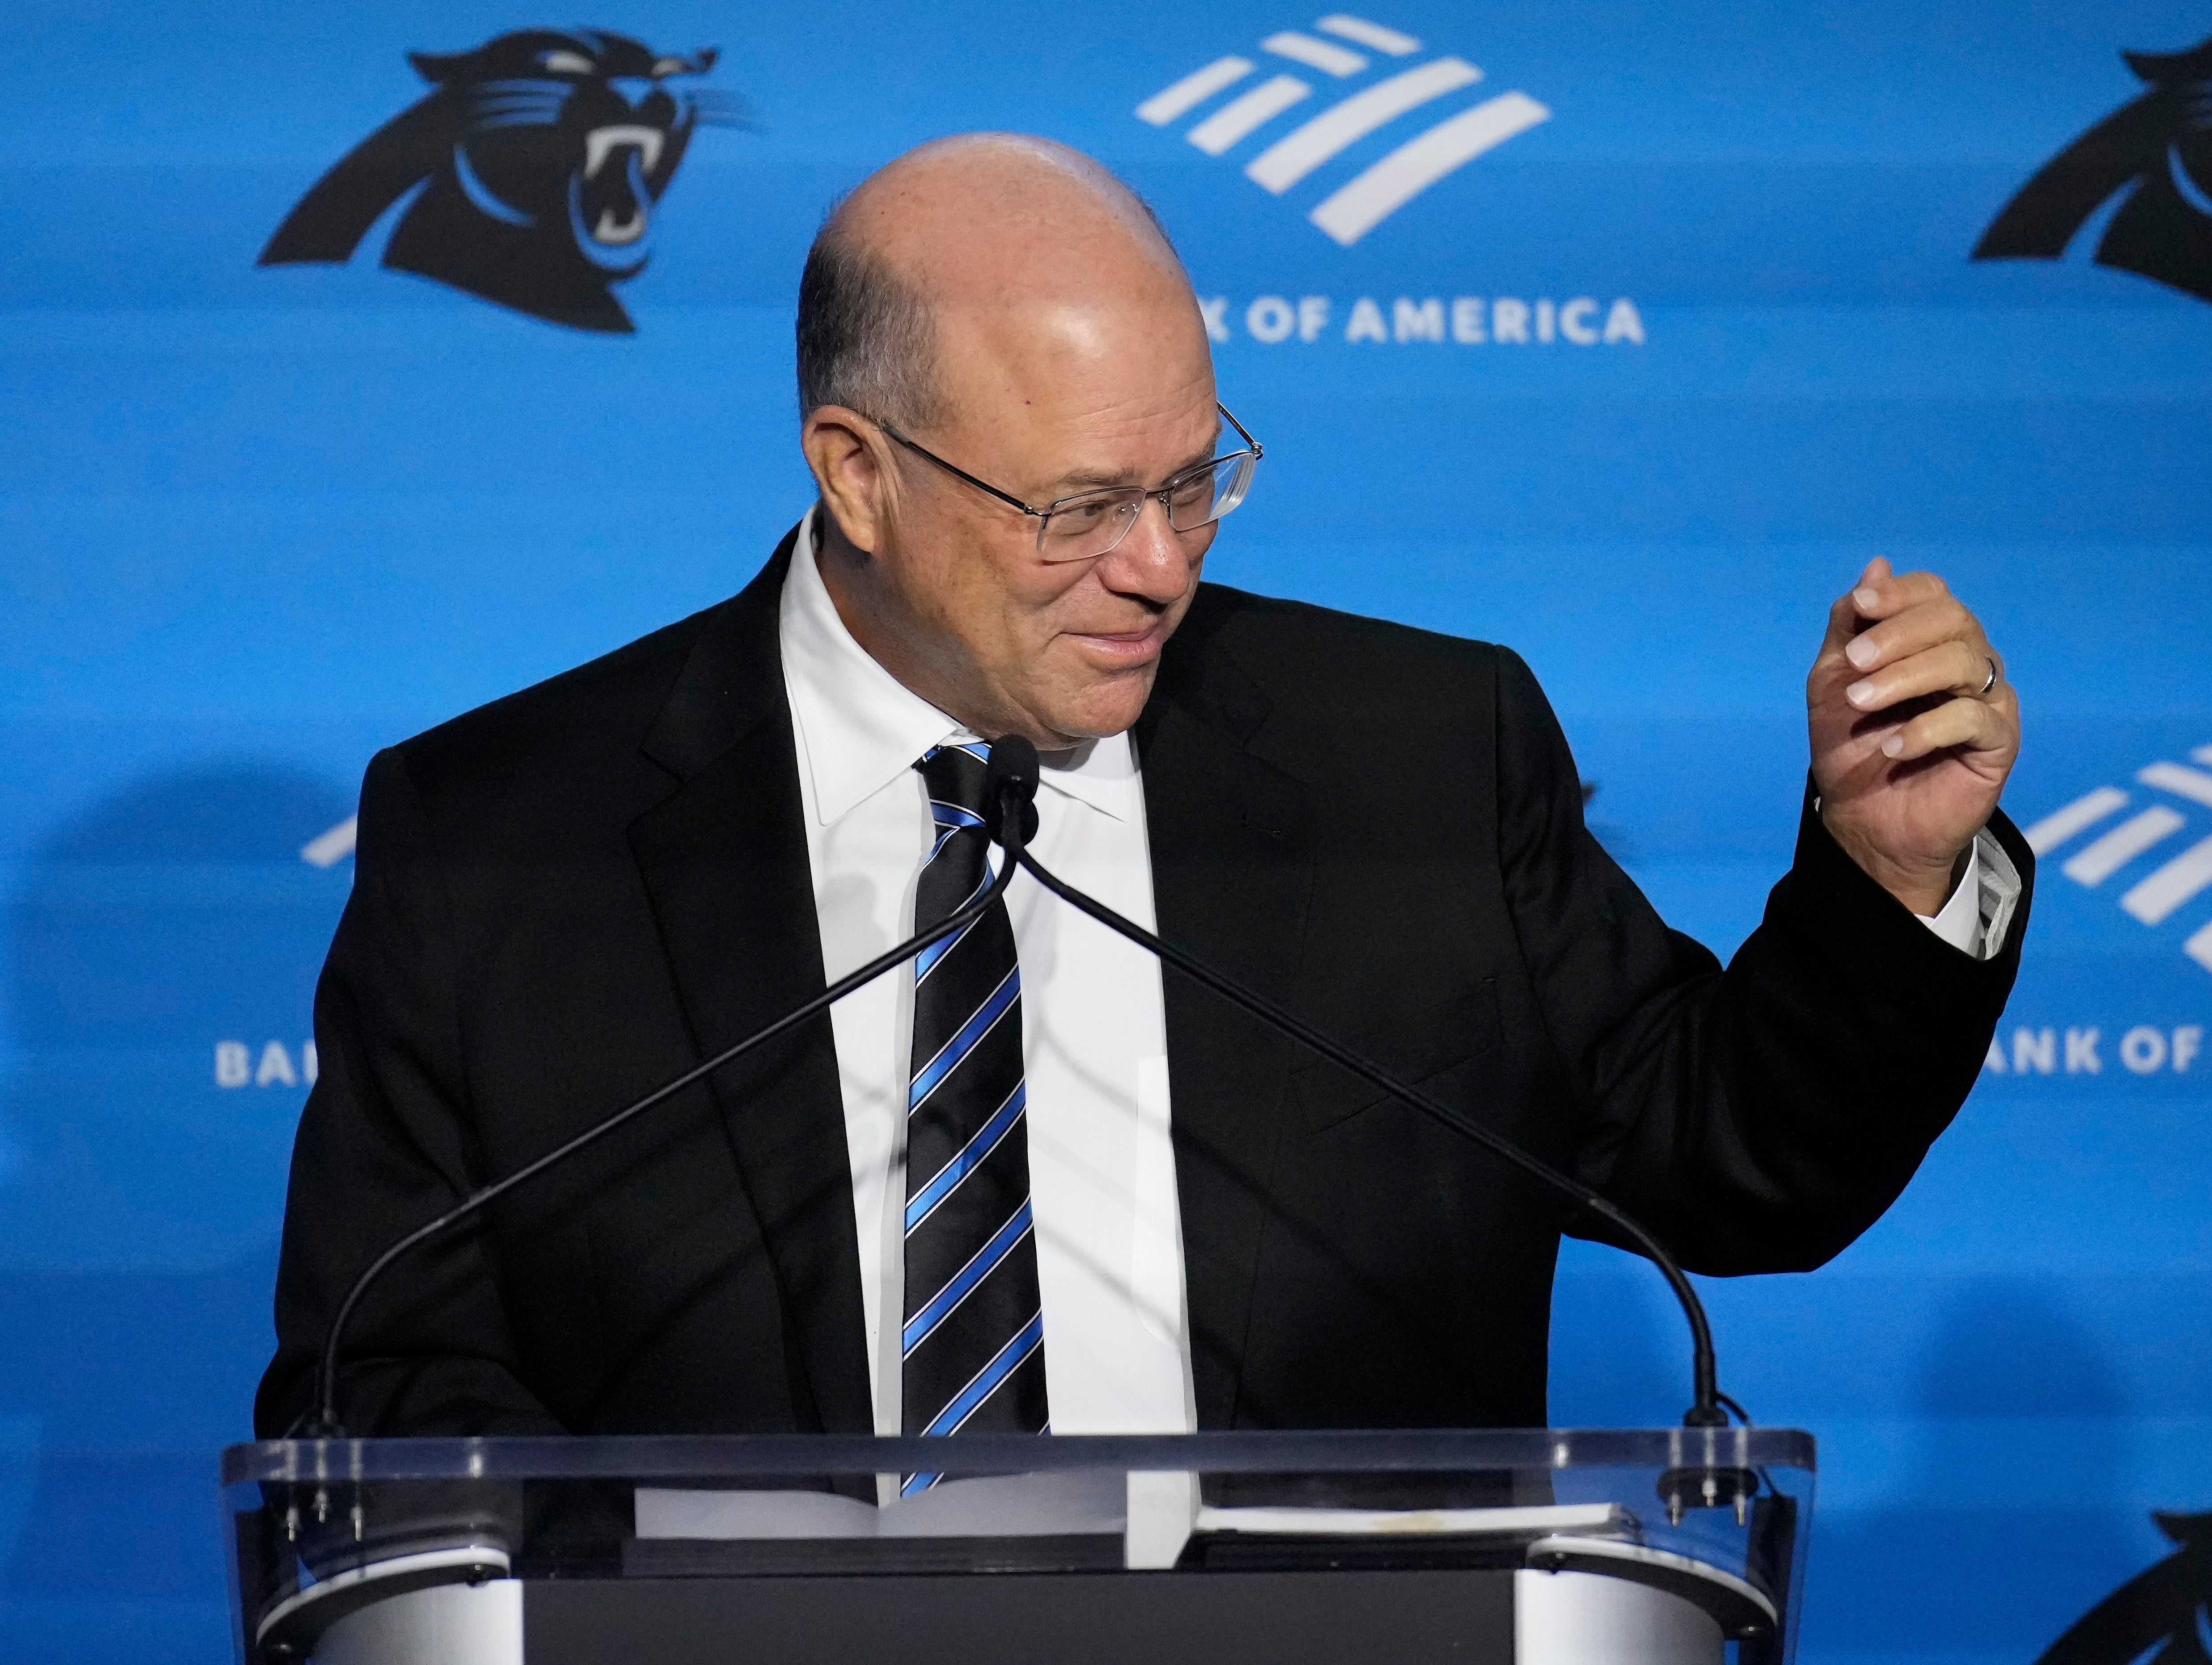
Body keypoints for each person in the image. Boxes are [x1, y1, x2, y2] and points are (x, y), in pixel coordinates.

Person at [256, 134, 2029, 1444]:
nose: (1161, 567)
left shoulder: (1411, 752)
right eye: (1082, 506)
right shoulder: (497, 843)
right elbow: (394, 1397)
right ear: (858, 476)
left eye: (1196, 482)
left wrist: (1892, 879)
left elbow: (1734, 1166)